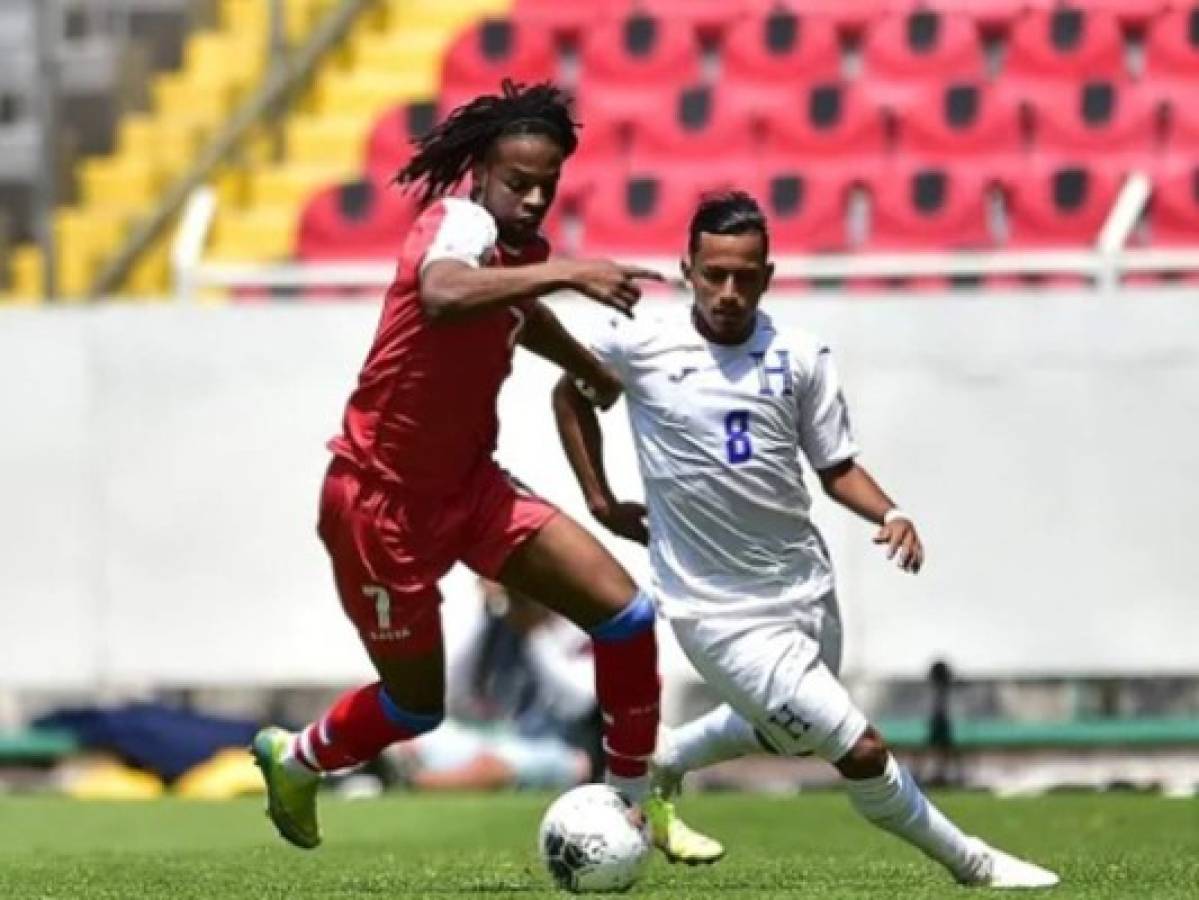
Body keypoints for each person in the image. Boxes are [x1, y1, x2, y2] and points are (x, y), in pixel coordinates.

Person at [249, 80, 717, 863]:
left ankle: (639, 806)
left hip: (470, 486)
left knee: (627, 618)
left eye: (547, 186)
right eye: (519, 183)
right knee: (414, 707)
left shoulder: (514, 254)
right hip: (378, 505)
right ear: (481, 174)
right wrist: (566, 271)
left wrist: (583, 364)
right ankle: (296, 759)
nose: (533, 199)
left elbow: (514, 310)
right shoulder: (456, 224)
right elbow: (444, 293)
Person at [552, 191, 1060, 889]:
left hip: (803, 587)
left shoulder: (798, 356)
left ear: (767, 274)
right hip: (715, 611)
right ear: (687, 270)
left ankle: (666, 758)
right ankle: (972, 864)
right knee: (855, 748)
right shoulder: (637, 342)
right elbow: (569, 393)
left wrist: (890, 513)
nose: (728, 292)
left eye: (744, 276)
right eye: (713, 274)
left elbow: (835, 468)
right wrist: (600, 499)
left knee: (780, 728)